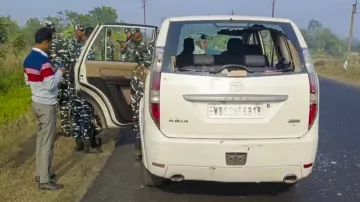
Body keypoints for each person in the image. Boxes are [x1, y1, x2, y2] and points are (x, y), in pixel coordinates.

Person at [23, 27, 65, 190]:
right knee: (47, 142)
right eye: (50, 43)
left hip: (36, 102)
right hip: (47, 104)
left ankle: (41, 173)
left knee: (41, 140)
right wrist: (59, 72)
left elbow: (28, 81)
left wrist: (47, 76)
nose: (50, 46)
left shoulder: (28, 59)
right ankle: (44, 181)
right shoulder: (44, 62)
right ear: (46, 42)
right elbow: (51, 84)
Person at [68, 26, 102, 153]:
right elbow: (90, 72)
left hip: (73, 87)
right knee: (85, 115)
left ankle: (78, 143)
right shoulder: (89, 51)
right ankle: (88, 144)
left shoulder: (77, 48)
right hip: (83, 88)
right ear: (92, 36)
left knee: (76, 115)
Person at [43, 20, 71, 137]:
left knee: (51, 105)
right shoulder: (62, 41)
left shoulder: (45, 44)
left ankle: (51, 131)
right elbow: (67, 60)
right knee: (64, 103)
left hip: (50, 79)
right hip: (63, 77)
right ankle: (66, 129)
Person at [129, 30, 154, 160]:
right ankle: (146, 151)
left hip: (138, 105)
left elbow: (132, 95)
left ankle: (139, 150)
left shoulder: (137, 73)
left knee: (138, 121)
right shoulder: (154, 73)